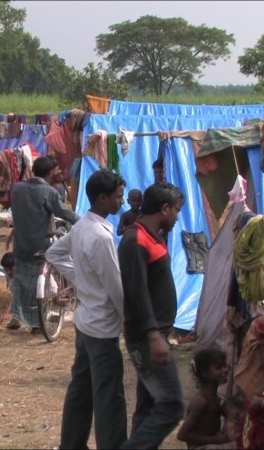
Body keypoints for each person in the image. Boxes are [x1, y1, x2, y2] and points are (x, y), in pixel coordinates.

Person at [46, 169, 128, 449]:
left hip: (85, 324)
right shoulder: (100, 237)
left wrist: (80, 279)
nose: (122, 202)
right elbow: (115, 287)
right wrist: (128, 320)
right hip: (102, 328)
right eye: (118, 197)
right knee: (108, 396)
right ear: (103, 199)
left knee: (81, 390)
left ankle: (72, 443)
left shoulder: (82, 226)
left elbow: (54, 253)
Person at [118, 182, 185, 449]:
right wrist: (153, 335)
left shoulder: (151, 235)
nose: (178, 217)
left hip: (155, 333)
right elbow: (136, 292)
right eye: (176, 211)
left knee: (148, 408)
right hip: (147, 336)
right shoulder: (135, 240)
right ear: (164, 208)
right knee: (171, 405)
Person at [8, 156, 80, 332]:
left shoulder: (17, 189)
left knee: (20, 283)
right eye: (56, 171)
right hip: (41, 244)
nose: (59, 174)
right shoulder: (48, 192)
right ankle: (38, 322)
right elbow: (64, 212)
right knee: (43, 282)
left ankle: (17, 316)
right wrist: (84, 222)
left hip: (21, 245)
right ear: (49, 173)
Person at [177, 348, 236, 449]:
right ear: (204, 373)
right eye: (218, 368)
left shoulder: (215, 398)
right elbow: (182, 435)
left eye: (225, 366)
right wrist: (214, 440)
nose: (225, 370)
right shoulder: (201, 401)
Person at [0, 252, 15, 326]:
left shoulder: (22, 276)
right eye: (6, 270)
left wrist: (6, 313)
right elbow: (14, 296)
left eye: (11, 269)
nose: (8, 272)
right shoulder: (8, 276)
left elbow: (16, 297)